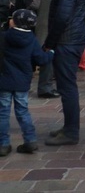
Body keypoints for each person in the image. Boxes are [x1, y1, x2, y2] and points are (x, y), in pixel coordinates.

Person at [44, 0, 85, 146]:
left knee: (67, 86)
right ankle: (68, 127)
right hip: (73, 36)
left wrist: (50, 42)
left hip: (67, 38)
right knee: (65, 85)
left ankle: (71, 131)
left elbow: (63, 15)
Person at [0, 9, 54, 156]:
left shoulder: (4, 37)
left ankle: (3, 144)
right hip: (22, 81)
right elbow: (40, 59)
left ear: (15, 22)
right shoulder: (31, 40)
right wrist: (51, 53)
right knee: (23, 111)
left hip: (4, 80)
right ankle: (30, 140)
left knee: (3, 113)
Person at [28, 0, 59, 98]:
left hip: (42, 27)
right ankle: (45, 87)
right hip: (49, 28)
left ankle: (38, 85)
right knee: (47, 58)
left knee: (41, 57)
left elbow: (34, 5)